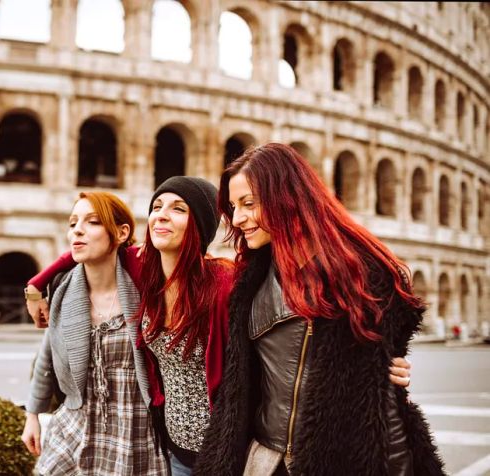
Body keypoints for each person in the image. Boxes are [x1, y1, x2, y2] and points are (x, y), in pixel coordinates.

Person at [27, 176, 415, 475]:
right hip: (172, 449)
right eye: (157, 206)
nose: (161, 214)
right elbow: (87, 245)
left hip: (225, 450)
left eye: (177, 209)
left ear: (200, 224)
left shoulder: (226, 283)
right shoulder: (140, 271)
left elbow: (284, 340)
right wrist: (37, 285)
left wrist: (371, 363)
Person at [194, 143, 444, 475]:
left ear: (286, 197)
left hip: (336, 461)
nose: (238, 219)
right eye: (233, 207)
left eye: (248, 204)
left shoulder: (362, 277)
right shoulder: (250, 278)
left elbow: (378, 408)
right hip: (265, 462)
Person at [21, 191, 168, 476]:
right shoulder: (63, 289)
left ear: (122, 232)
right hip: (74, 428)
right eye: (73, 222)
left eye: (92, 222)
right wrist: (32, 416)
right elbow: (46, 357)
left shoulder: (144, 283)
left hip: (135, 434)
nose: (77, 229)